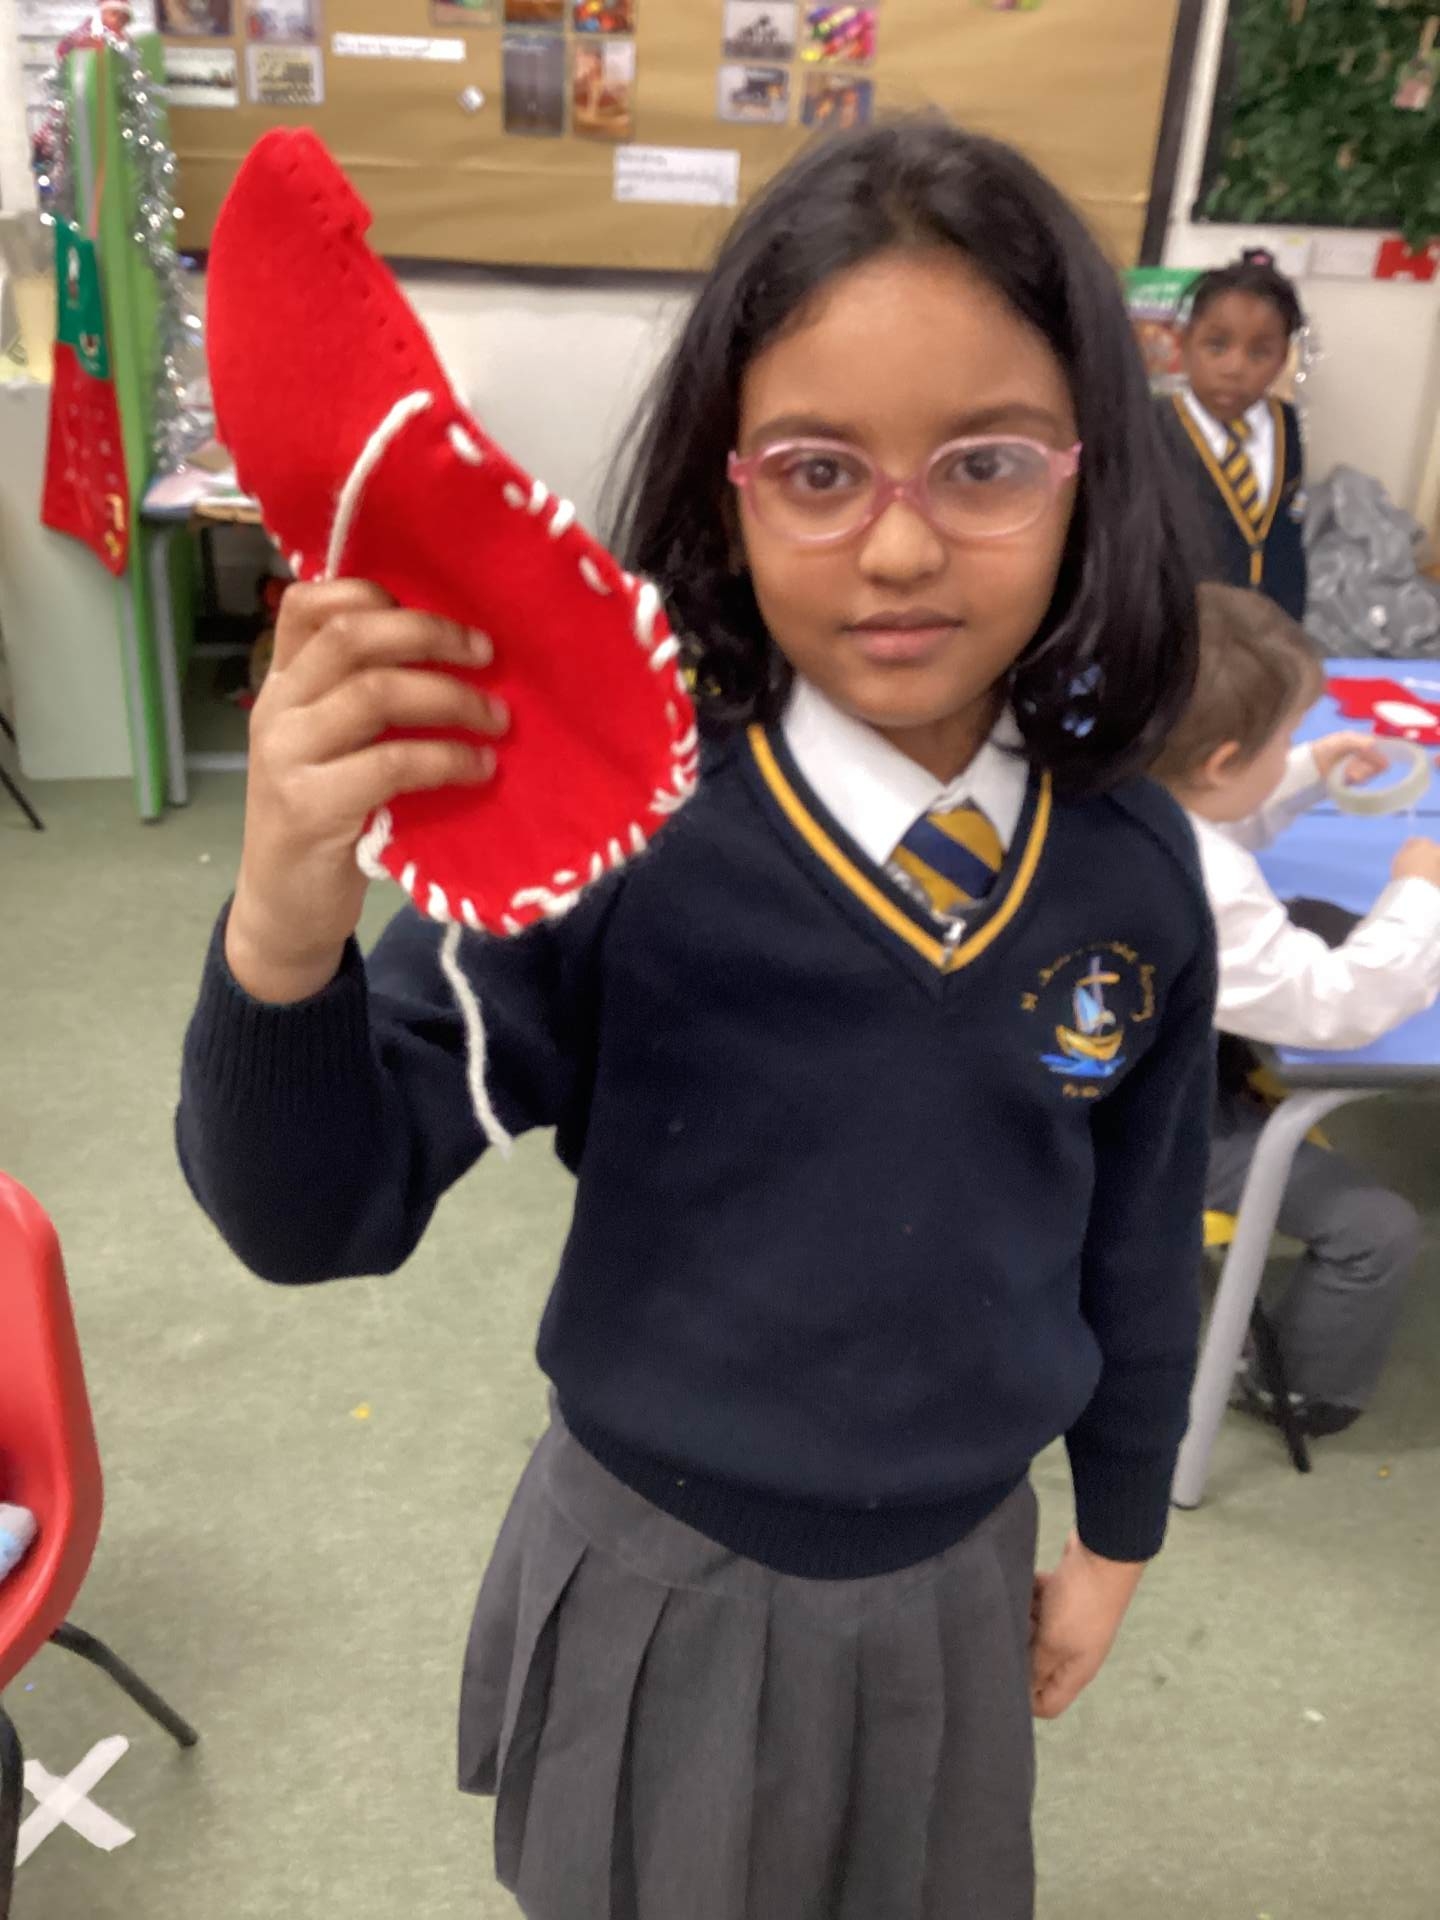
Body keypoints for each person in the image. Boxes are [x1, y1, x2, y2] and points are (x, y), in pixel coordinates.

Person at [177, 117, 1214, 1919]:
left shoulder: (1131, 869)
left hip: (961, 1569)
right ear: (729, 488)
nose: (901, 547)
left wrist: (1120, 1527)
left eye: (984, 463)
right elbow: (311, 1214)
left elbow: (1138, 1237)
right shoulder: (615, 823)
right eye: (819, 471)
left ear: (1087, 472)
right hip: (661, 1570)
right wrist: (285, 923)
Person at [1154, 583, 1440, 1437]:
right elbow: (1335, 1008)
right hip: (1156, 1127)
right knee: (1376, 1231)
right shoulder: (1199, 884)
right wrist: (1420, 893)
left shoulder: (1137, 798)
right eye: (1283, 743)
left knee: (1316, 918)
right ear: (1221, 760)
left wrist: (1311, 768)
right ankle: (1300, 1390)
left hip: (1127, 1077)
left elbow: (1217, 818)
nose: (1291, 753)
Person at [1157, 249, 1309, 620]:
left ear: (1283, 358)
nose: (1235, 368)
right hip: (1178, 622)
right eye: (1217, 346)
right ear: (1183, 344)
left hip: (1269, 622)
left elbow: (1285, 527)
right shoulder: (1150, 427)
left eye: (1260, 353)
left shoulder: (1285, 423)